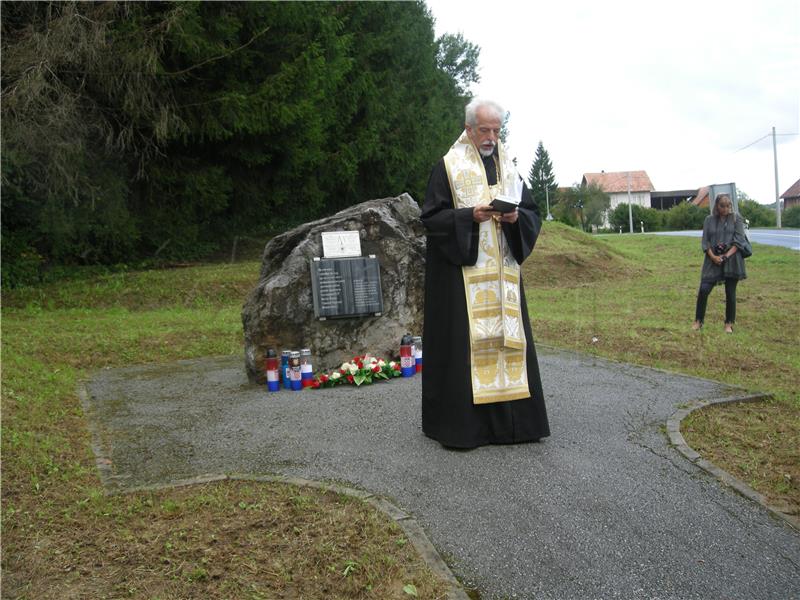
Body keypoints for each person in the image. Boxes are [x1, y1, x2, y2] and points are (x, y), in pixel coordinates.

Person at [420, 98, 550, 449]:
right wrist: (468, 217)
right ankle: (467, 429)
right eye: (485, 130)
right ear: (469, 129)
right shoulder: (448, 167)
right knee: (467, 350)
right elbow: (431, 219)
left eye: (497, 130)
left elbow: (532, 213)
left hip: (503, 276)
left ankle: (515, 426)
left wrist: (515, 219)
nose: (492, 137)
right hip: (465, 282)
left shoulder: (510, 167)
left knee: (510, 344)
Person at [692, 193, 748, 333]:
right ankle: (698, 321)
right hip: (712, 260)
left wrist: (725, 256)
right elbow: (705, 242)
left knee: (730, 293)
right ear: (716, 205)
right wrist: (714, 256)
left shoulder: (736, 219)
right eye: (722, 205)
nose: (725, 208)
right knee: (704, 289)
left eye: (728, 205)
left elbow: (739, 241)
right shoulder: (709, 220)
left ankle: (728, 323)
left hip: (732, 260)